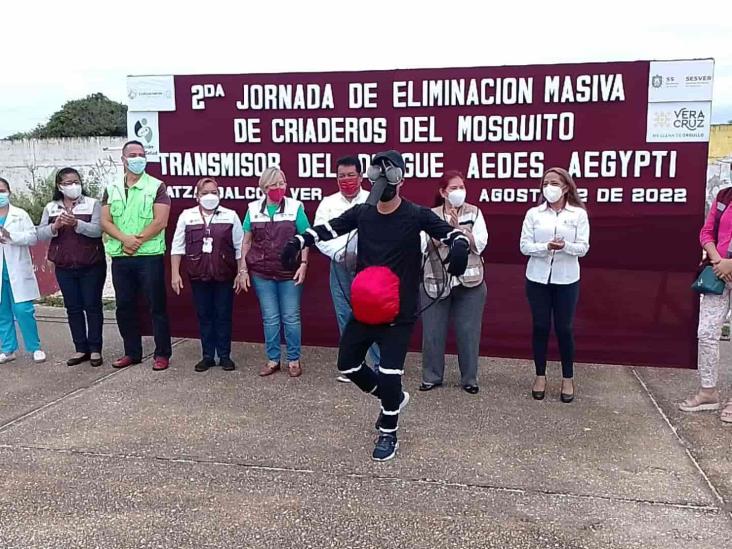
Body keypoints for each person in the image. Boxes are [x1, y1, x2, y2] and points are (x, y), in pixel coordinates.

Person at [282, 150, 470, 462]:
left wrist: (460, 246)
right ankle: (390, 398)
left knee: (390, 371)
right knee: (348, 364)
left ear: (401, 178)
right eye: (377, 173)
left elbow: (450, 233)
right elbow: (329, 228)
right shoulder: (362, 213)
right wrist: (298, 241)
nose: (382, 180)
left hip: (399, 311)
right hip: (366, 307)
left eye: (388, 173)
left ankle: (388, 429)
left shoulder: (416, 215)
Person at [100, 140, 172, 371]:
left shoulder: (157, 186)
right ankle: (132, 352)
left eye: (141, 154)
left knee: (156, 306)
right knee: (124, 306)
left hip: (149, 256)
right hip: (121, 257)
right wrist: (124, 240)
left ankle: (162, 353)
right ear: (123, 159)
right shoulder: (111, 188)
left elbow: (160, 221)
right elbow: (105, 220)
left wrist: (135, 241)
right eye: (132, 154)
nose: (138, 158)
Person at [520, 167, 589, 403]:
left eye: (554, 183)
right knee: (540, 327)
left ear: (566, 187)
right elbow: (525, 246)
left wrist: (565, 246)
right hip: (537, 279)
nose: (549, 187)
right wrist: (546, 247)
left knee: (564, 328)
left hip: (566, 279)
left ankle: (567, 378)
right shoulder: (534, 214)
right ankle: (540, 376)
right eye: (546, 182)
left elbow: (583, 247)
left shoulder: (578, 214)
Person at [420, 171, 488, 394]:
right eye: (453, 188)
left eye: (462, 187)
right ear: (443, 192)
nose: (459, 192)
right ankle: (431, 377)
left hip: (470, 282)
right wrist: (444, 232)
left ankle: (470, 379)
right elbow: (421, 245)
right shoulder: (429, 215)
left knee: (468, 332)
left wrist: (459, 230)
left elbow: (480, 243)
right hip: (435, 281)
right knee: (432, 332)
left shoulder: (475, 212)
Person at [314, 155, 380, 383]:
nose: (347, 180)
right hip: (340, 266)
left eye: (351, 175)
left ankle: (380, 365)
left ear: (361, 176)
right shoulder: (328, 203)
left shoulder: (374, 200)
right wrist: (340, 253)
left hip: (369, 268)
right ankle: (354, 366)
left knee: (373, 317)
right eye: (342, 176)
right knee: (345, 316)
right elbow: (320, 236)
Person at [241, 167, 310, 377]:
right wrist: (242, 269)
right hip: (262, 273)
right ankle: (272, 360)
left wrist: (304, 264)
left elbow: (306, 237)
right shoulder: (252, 209)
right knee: (270, 318)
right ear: (264, 187)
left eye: (282, 183)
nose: (279, 188)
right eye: (274, 184)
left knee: (291, 317)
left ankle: (294, 360)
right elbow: (246, 241)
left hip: (289, 272)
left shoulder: (295, 207)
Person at [170, 177, 245, 372]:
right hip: (198, 275)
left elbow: (240, 248)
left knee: (223, 315)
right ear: (197, 196)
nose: (210, 196)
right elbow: (177, 247)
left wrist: (240, 272)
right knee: (204, 315)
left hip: (224, 275)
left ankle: (225, 356)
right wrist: (175, 274)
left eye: (214, 192)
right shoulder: (187, 216)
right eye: (205, 193)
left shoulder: (231, 215)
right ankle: (207, 356)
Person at [37, 168, 106, 367]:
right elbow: (41, 235)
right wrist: (55, 227)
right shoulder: (51, 207)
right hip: (64, 266)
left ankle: (95, 349)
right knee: (73, 308)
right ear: (59, 186)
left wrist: (77, 224)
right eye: (67, 182)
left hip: (91, 264)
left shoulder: (92, 204)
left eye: (76, 181)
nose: (73, 185)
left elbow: (97, 231)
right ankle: (80, 348)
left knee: (92, 306)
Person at [679, 186, 732, 423]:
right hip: (718, 274)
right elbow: (707, 232)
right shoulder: (724, 197)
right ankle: (708, 392)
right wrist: (718, 260)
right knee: (707, 333)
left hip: (727, 268)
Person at [0, 177, 46, 363]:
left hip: (17, 270)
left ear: (9, 192)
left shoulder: (20, 214)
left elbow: (32, 238)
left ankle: (34, 347)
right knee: (3, 312)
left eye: (2, 190)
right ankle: (8, 349)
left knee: (23, 310)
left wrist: (12, 236)